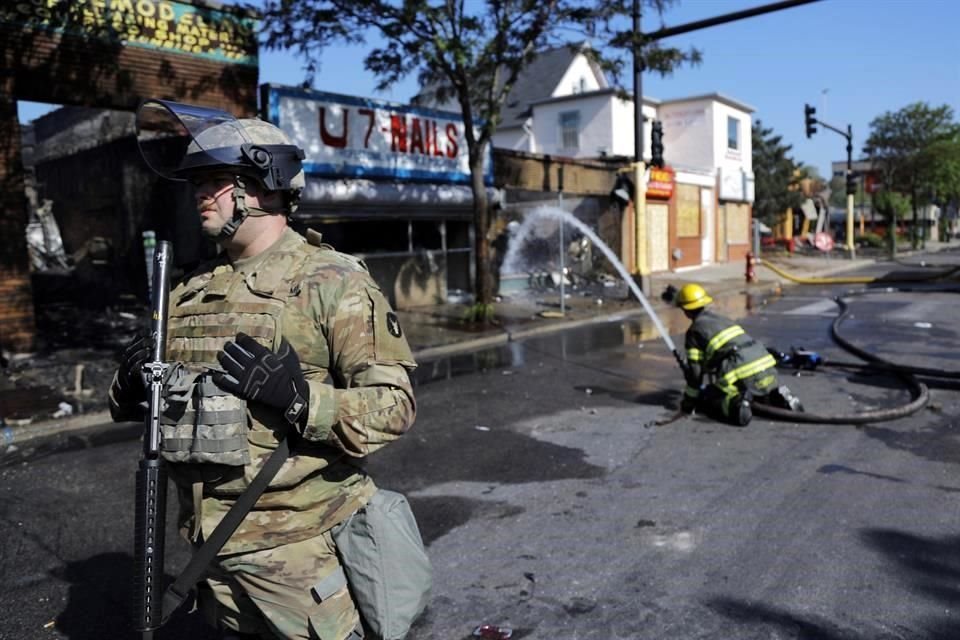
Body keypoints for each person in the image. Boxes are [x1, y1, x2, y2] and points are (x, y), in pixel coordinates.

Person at [110, 99, 417, 639]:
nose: (200, 193)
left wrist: (301, 400)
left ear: (266, 184)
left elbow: (394, 407)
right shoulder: (189, 290)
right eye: (195, 182)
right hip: (209, 559)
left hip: (299, 560)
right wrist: (131, 385)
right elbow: (159, 406)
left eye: (216, 180)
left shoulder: (331, 281)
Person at [674, 283, 803, 426]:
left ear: (685, 310)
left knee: (708, 398)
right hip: (766, 367)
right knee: (756, 389)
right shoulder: (722, 320)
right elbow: (725, 349)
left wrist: (689, 402)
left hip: (742, 370)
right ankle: (776, 395)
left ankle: (736, 405)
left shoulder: (694, 331)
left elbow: (695, 375)